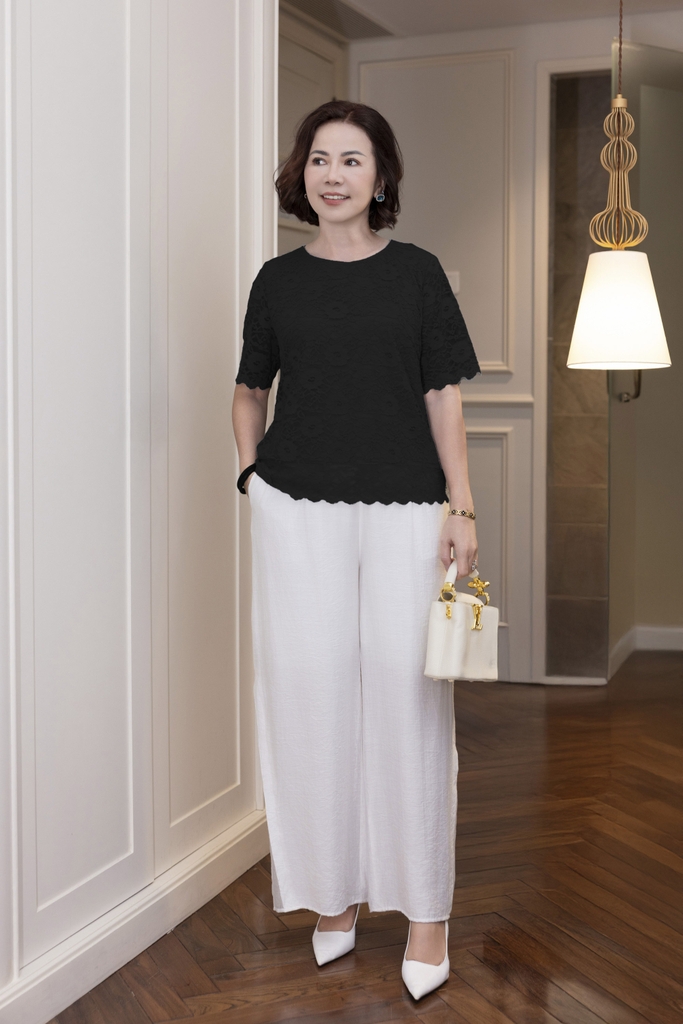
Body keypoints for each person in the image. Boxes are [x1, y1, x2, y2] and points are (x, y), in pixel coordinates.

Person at [231, 99, 481, 1001]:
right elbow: (249, 389)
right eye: (319, 159)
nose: (332, 175)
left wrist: (462, 505)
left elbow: (443, 395)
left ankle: (425, 914)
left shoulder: (416, 274)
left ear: (380, 179)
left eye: (351, 160)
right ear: (300, 175)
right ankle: (330, 895)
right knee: (308, 695)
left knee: (409, 701)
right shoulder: (276, 281)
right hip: (296, 510)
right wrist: (253, 477)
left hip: (409, 509)